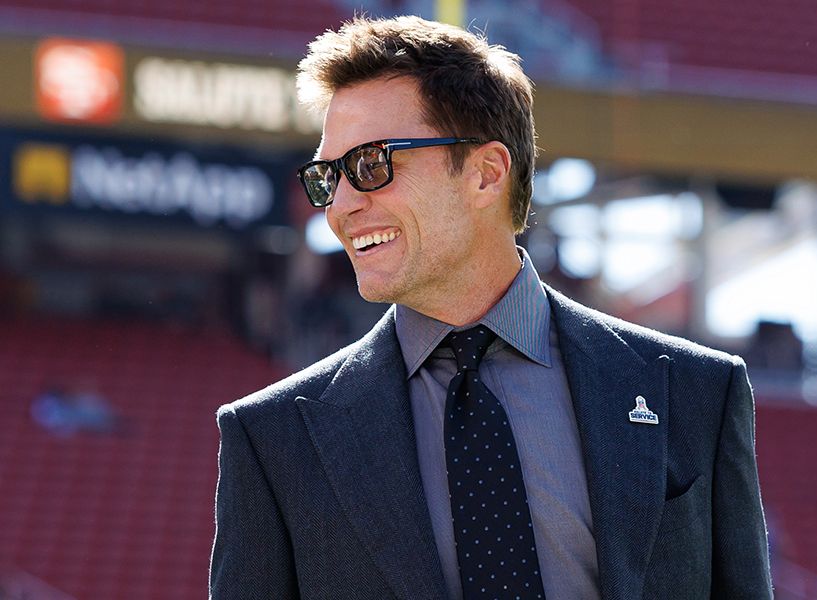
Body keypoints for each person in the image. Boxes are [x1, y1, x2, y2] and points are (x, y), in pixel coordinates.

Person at [210, 15, 772, 599]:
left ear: (486, 174)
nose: (339, 206)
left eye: (372, 164)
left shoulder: (697, 393)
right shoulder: (271, 439)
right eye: (327, 177)